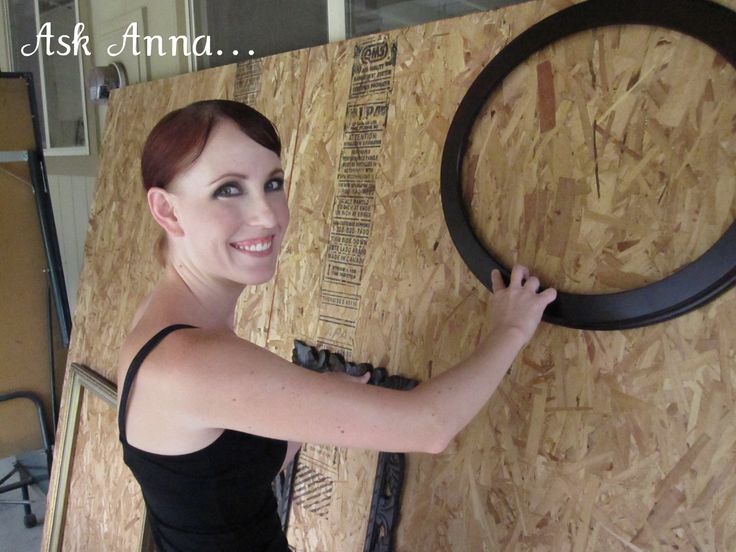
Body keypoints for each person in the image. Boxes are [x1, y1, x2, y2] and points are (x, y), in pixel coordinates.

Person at [116, 99, 557, 551]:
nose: (267, 215)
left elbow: (217, 480)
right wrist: (512, 328)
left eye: (272, 183)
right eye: (228, 189)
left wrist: (315, 402)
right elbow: (430, 425)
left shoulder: (164, 321)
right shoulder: (189, 362)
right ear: (167, 211)